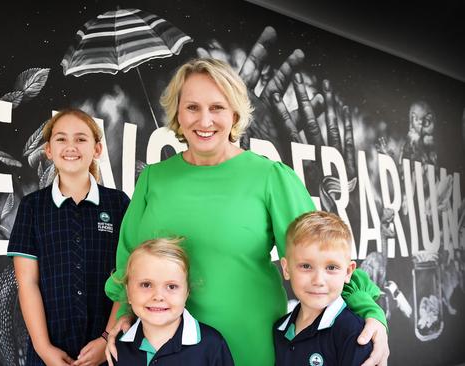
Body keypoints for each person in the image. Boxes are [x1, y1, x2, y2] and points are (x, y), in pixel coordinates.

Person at [104, 58, 389, 366]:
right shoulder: (153, 179)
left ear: (235, 112)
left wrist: (370, 313)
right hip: (164, 349)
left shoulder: (270, 177)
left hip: (250, 345)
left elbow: (322, 252)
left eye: (217, 107)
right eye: (192, 107)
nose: (204, 120)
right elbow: (129, 261)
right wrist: (120, 317)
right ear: (177, 112)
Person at [8, 108, 130, 366]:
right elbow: (27, 283)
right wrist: (44, 349)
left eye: (81, 139)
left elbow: (128, 276)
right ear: (48, 150)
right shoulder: (32, 207)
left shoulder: (118, 204)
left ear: (97, 150)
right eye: (61, 139)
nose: (71, 146)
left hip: (108, 350)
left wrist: (106, 338)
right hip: (50, 353)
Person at [113, 237, 234, 365]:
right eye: (146, 284)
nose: (158, 296)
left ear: (186, 293)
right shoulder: (116, 345)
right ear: (128, 292)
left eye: (171, 286)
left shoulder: (212, 345)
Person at [274, 211, 373, 366]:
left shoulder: (353, 332)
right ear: (286, 269)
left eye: (331, 267)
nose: (318, 281)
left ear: (348, 272)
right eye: (306, 266)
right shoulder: (279, 329)